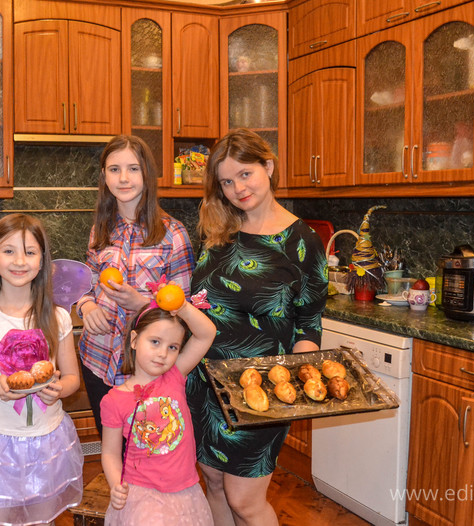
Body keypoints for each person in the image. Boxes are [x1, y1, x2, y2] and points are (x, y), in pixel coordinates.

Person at [187, 129, 328, 526]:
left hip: (261, 387)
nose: (238, 189)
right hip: (202, 379)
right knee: (214, 483)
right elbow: (199, 301)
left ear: (268, 166)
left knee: (245, 500)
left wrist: (297, 384)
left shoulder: (303, 241)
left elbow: (309, 323)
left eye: (245, 174)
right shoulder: (217, 231)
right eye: (226, 182)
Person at [0, 213, 83, 526]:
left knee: (43, 520)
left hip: (48, 442)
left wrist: (59, 390)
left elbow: (72, 378)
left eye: (30, 251)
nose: (20, 261)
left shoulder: (58, 318)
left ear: (42, 260)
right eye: (9, 251)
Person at [76, 135, 195, 434]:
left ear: (147, 174)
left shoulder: (173, 234)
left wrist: (142, 305)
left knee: (147, 448)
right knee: (111, 448)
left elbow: (186, 311)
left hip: (148, 369)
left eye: (133, 168)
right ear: (104, 176)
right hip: (97, 359)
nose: (123, 178)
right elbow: (87, 282)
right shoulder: (100, 230)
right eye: (114, 169)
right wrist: (86, 306)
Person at [100, 297, 216, 525]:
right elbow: (110, 453)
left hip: (186, 490)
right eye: (155, 342)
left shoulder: (175, 375)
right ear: (134, 340)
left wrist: (182, 307)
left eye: (172, 347)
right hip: (143, 494)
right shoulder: (113, 400)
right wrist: (115, 484)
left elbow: (206, 333)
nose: (163, 353)